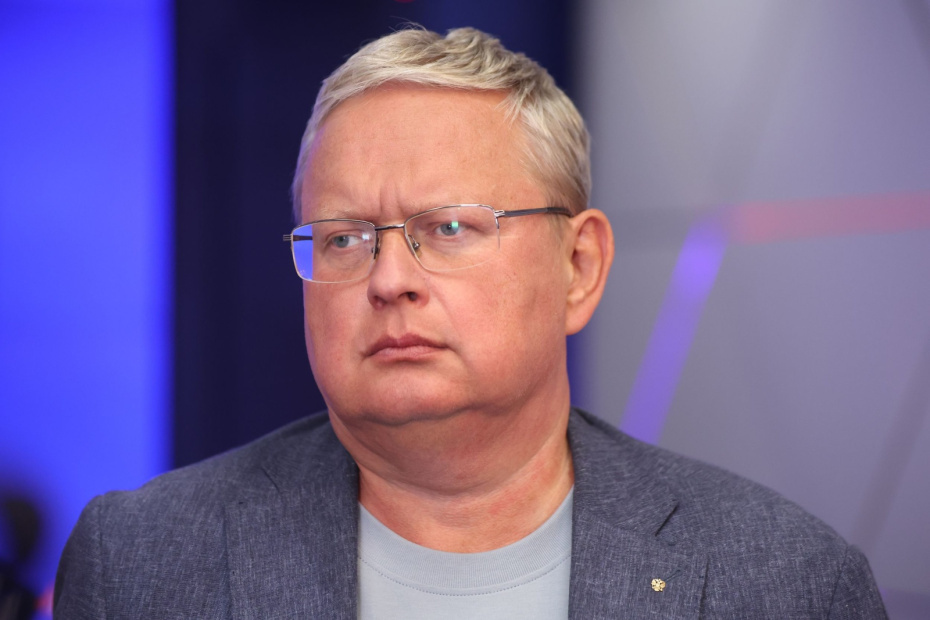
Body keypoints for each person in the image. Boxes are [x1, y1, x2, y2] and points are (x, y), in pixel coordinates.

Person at [54, 27, 887, 619]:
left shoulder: (787, 582)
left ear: (578, 267)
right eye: (343, 238)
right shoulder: (141, 564)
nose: (389, 280)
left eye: (449, 227)